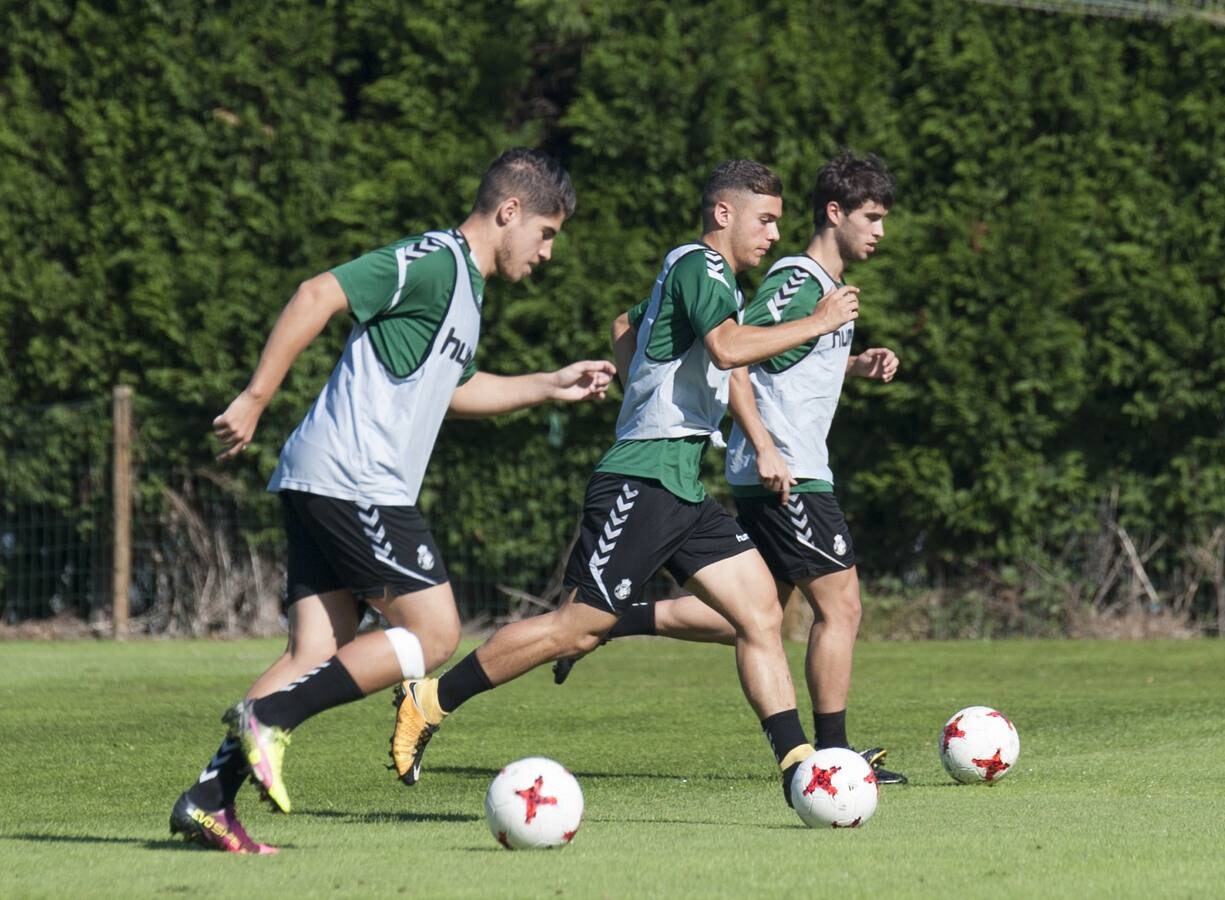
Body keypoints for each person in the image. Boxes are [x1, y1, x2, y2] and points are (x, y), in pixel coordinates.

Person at [169, 148, 616, 854]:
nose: (548, 252)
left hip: (326, 476)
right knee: (434, 633)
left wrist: (547, 383)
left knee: (315, 648)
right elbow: (318, 293)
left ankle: (207, 799)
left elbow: (453, 391)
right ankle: (272, 720)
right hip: (356, 477)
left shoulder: (467, 290)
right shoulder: (435, 261)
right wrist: (255, 397)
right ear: (509, 213)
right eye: (547, 232)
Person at [387, 160, 861, 809]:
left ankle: (799, 767)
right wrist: (819, 319)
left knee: (760, 614)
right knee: (574, 628)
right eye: (766, 219)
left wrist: (633, 374)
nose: (774, 233)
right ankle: (430, 698)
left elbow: (623, 322)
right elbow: (726, 349)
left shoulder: (701, 275)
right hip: (641, 478)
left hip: (681, 486)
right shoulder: (701, 265)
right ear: (723, 213)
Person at [552, 151, 906, 783]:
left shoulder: (816, 290)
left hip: (785, 464)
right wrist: (763, 444)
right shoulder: (798, 280)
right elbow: (735, 351)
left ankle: (614, 620)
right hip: (786, 470)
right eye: (872, 217)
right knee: (841, 607)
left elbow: (759, 352)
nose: (880, 232)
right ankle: (831, 755)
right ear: (836, 213)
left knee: (757, 611)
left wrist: (853, 363)